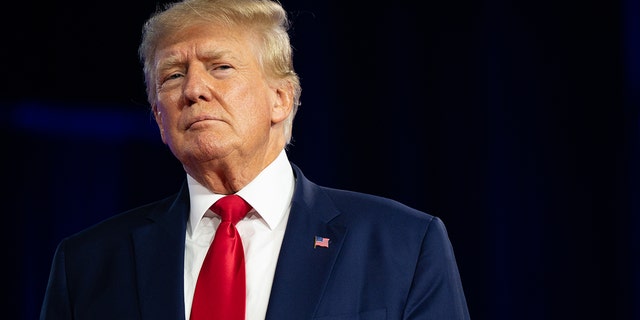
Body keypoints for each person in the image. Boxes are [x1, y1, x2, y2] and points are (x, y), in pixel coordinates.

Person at [39, 0, 471, 319]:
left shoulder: (403, 245)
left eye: (220, 67)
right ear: (158, 117)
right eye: (173, 75)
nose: (193, 90)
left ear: (280, 99)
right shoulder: (87, 264)